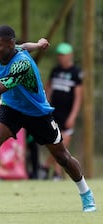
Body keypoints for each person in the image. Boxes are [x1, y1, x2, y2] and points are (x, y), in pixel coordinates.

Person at [0, 25, 96, 213]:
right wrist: (38, 44)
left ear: (10, 44)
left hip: (37, 112)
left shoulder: (22, 64)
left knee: (62, 157)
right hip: (12, 107)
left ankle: (86, 193)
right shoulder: (6, 51)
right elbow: (25, 46)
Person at [40, 42, 83, 180]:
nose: (61, 57)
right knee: (56, 143)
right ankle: (52, 171)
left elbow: (78, 97)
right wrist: (44, 106)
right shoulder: (55, 70)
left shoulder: (75, 73)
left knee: (63, 144)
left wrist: (73, 116)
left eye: (63, 54)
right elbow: (48, 89)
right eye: (59, 54)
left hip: (67, 114)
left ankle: (51, 170)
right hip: (53, 112)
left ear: (70, 55)